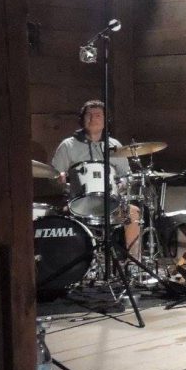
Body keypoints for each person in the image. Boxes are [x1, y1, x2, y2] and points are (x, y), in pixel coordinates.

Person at [51, 100, 143, 264]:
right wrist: (60, 180)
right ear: (82, 119)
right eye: (89, 115)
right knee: (61, 216)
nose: (93, 118)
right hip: (77, 204)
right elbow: (53, 176)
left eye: (98, 115)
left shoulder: (114, 145)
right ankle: (76, 264)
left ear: (106, 120)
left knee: (133, 212)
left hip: (111, 203)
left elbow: (126, 176)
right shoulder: (68, 145)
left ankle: (134, 263)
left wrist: (121, 185)